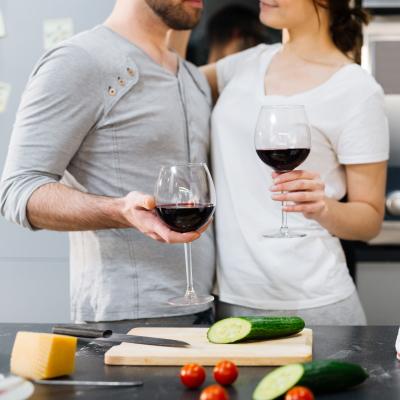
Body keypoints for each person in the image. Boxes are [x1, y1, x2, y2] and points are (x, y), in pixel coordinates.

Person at [0, 0, 215, 324]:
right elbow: (18, 190)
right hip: (124, 322)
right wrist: (119, 211)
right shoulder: (79, 60)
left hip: (205, 310)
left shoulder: (191, 76)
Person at [174, 0, 389, 324]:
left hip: (315, 306)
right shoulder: (245, 64)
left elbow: (370, 220)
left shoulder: (356, 90)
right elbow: (170, 79)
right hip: (231, 302)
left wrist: (325, 208)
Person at [206, 5, 281, 64]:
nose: (261, 46)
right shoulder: (240, 79)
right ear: (237, 34)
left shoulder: (198, 78)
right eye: (259, 39)